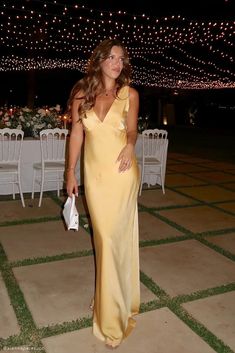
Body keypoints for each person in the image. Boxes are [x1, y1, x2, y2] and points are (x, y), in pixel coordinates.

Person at [66, 38, 140, 349]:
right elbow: (76, 133)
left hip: (123, 174)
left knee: (114, 240)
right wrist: (70, 172)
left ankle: (112, 320)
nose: (116, 62)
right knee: (104, 240)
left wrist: (130, 144)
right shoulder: (81, 93)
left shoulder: (130, 94)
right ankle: (108, 300)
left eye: (121, 58)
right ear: (99, 60)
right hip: (94, 179)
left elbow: (133, 129)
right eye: (111, 57)